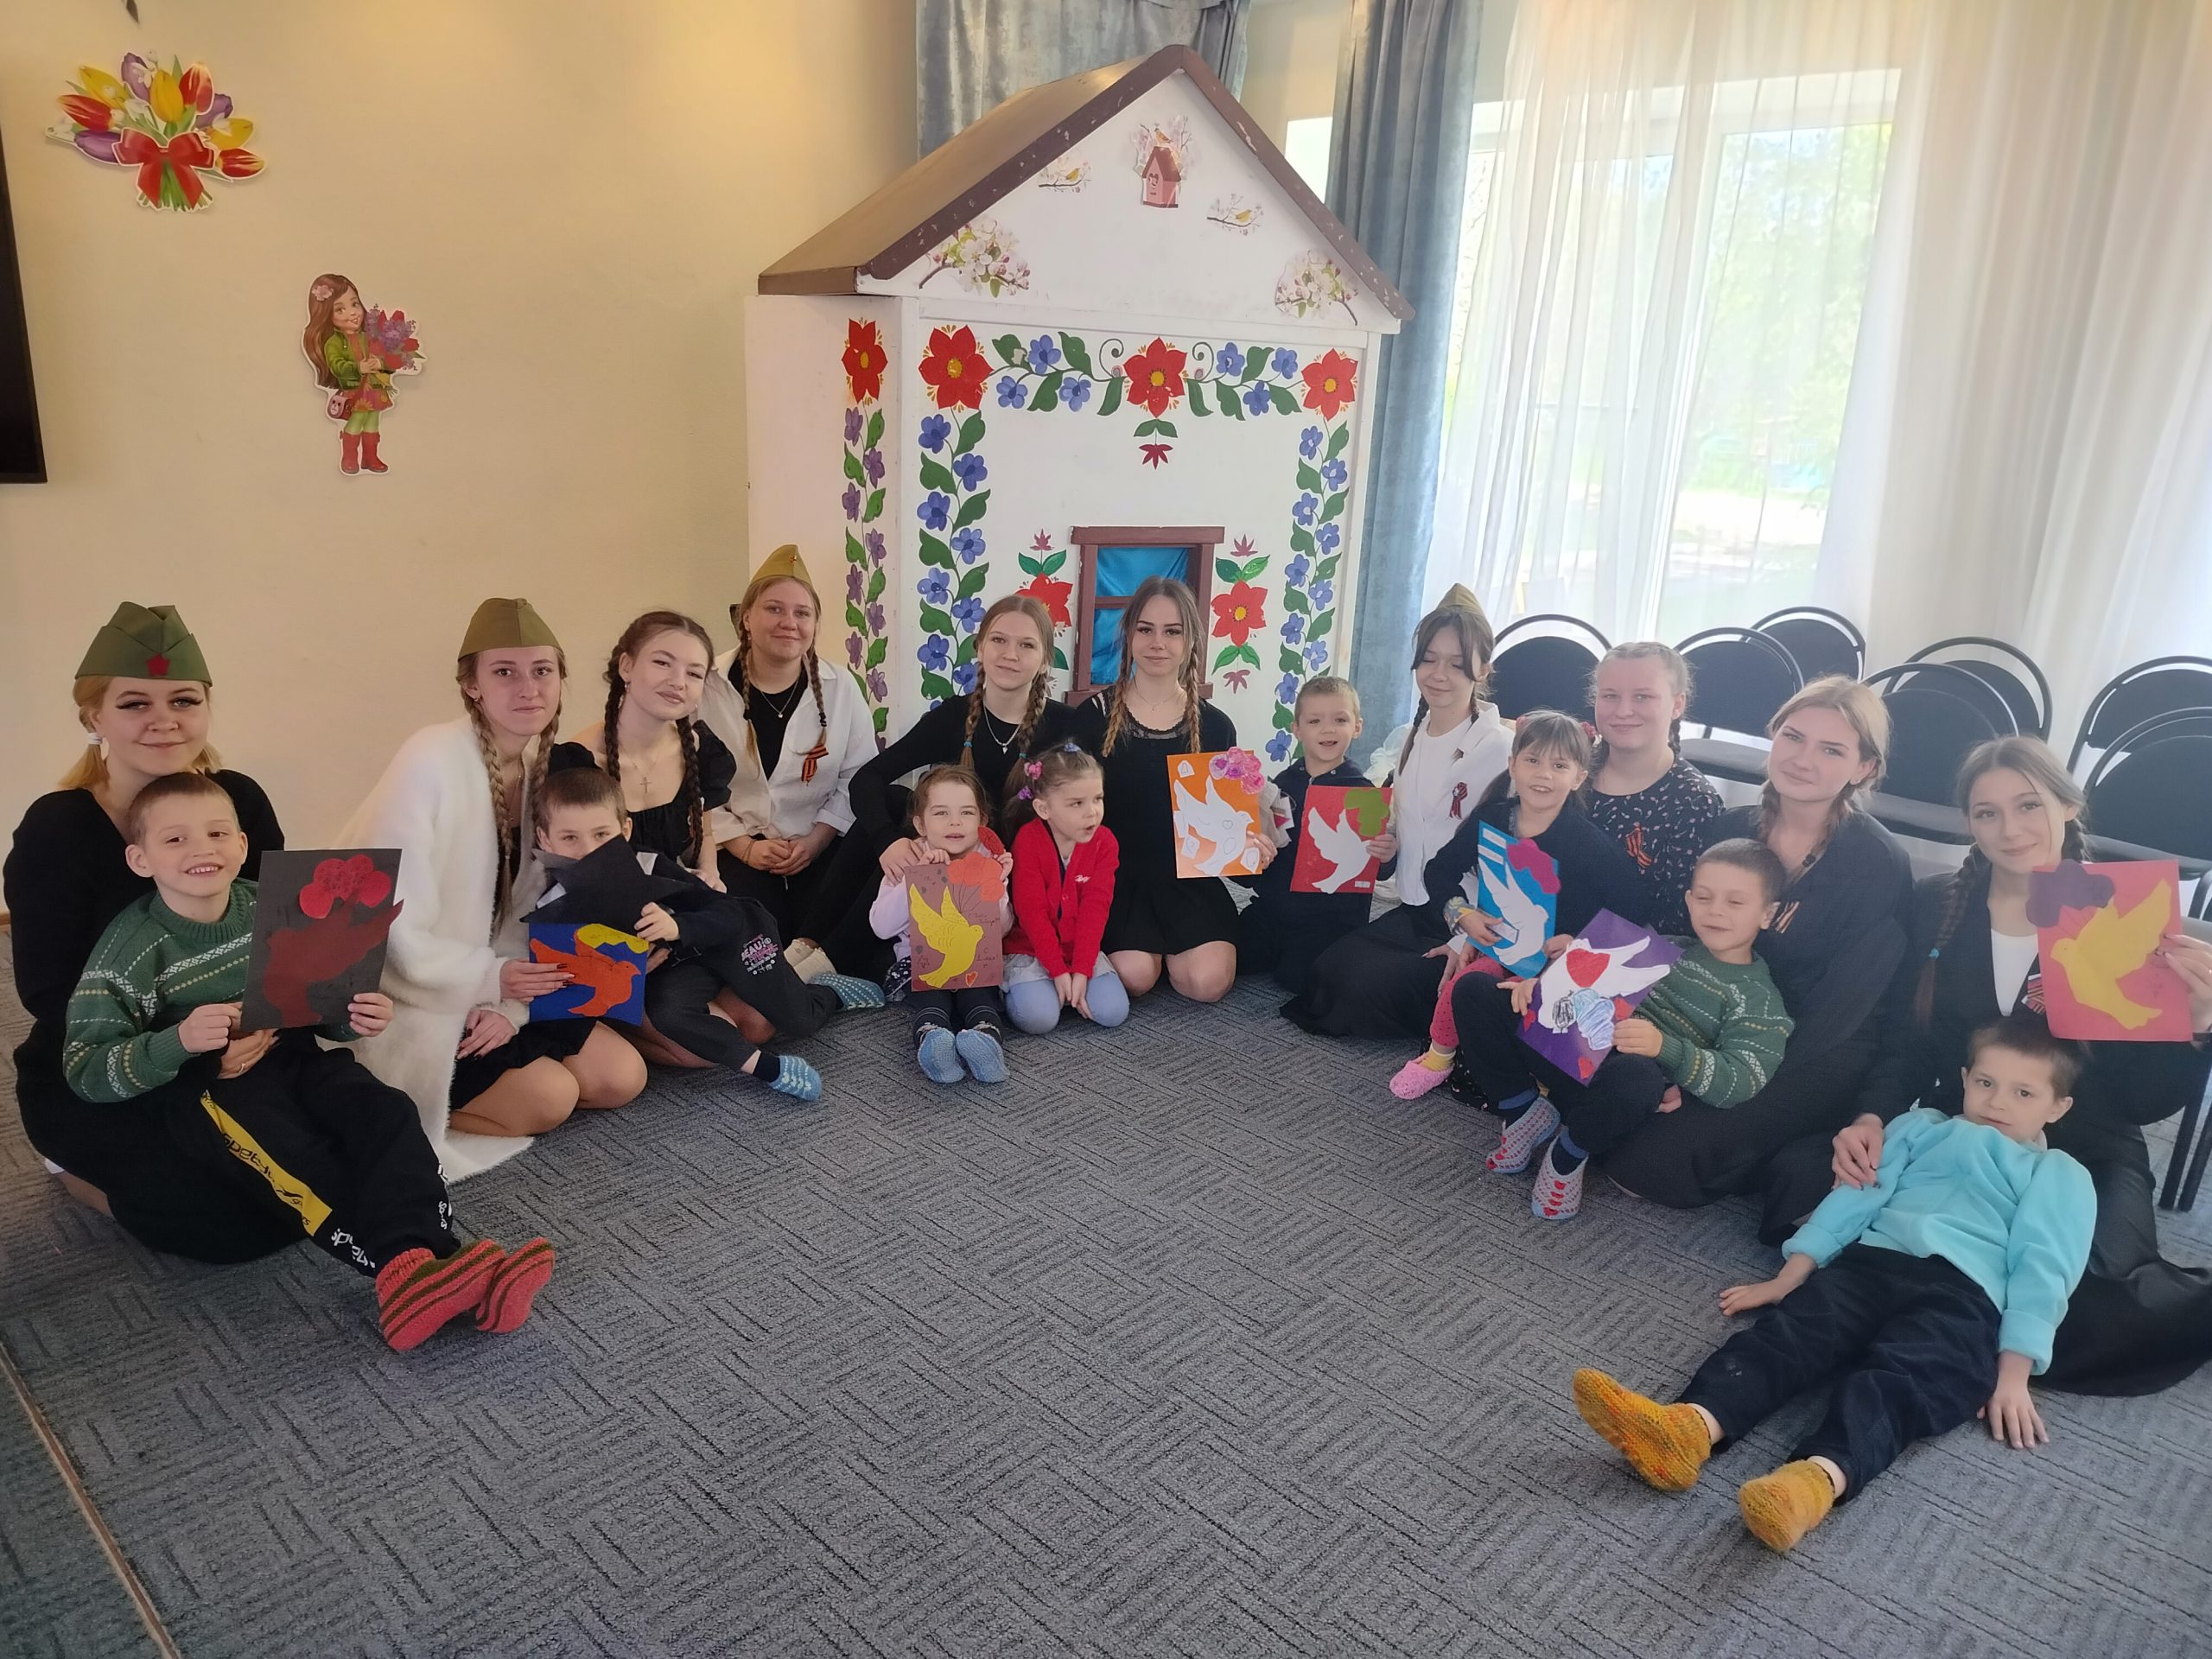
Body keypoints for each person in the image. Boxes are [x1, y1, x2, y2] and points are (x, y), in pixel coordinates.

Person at [61, 772, 556, 1351]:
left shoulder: (274, 908)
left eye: (217, 833)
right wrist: (179, 1042)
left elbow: (323, 1008)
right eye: (175, 840)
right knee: (303, 1157)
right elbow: (85, 1067)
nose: (201, 849)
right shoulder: (130, 949)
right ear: (140, 859)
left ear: (241, 845)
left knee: (387, 1111)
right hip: (211, 1092)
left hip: (295, 1054)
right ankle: (426, 1270)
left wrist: (355, 1014)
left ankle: (433, 1276)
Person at [1781, 736, 2212, 1395]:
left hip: (2085, 1145)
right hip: (1968, 1127)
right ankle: (1947, 1298)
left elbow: (2141, 1105)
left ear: (2069, 806)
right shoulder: (1939, 905)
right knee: (1801, 1184)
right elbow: (1908, 1043)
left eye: (2028, 805)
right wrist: (1872, 1116)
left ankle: (1936, 1295)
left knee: (2095, 1302)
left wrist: (2199, 1025)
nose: (2010, 829)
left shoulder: (2126, 917)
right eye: (1987, 813)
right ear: (1971, 824)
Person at [1572, 1018, 2094, 1553]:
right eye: (1985, 1082)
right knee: (1790, 1335)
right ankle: (1687, 1428)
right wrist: (1791, 1275)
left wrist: (2014, 1373)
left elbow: (2045, 1266)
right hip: (1873, 1264)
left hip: (1966, 1298)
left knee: (1907, 1382)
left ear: (2058, 1107)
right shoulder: (1921, 1128)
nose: (1997, 1102)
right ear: (1964, 1079)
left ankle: (1811, 1483)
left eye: (2024, 1093)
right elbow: (1857, 1197)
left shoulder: (2060, 1173)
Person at [5, 603, 291, 1254]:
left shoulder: (239, 800)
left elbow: (279, 933)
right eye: (135, 703)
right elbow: (50, 993)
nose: (165, 720)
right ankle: (73, 1170)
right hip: (110, 1059)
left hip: (239, 1036)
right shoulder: (57, 828)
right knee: (230, 1226)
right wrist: (186, 1051)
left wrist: (259, 1028)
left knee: (338, 1162)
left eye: (184, 700)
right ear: (93, 718)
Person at [340, 598, 645, 1169]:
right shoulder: (429, 760)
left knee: (620, 1076)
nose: (528, 689)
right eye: (505, 672)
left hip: (501, 983)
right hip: (411, 995)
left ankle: (504, 1066)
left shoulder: (537, 770)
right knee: (552, 1097)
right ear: (472, 685)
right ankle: (391, 1108)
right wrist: (485, 978)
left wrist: (508, 1001)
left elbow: (532, 909)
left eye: (542, 671)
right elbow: (387, 924)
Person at [1600, 676, 1913, 1225]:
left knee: (1639, 1166)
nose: (1802, 759)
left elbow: (1842, 1009)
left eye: (1831, 750)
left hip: (1812, 1044)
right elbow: (1682, 935)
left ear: (1863, 768)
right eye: (1793, 737)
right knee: (1595, 1095)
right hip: (1712, 1011)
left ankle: (1797, 1146)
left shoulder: (1876, 863)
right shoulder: (1733, 827)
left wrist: (1715, 1075)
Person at [1448, 839, 1793, 1221]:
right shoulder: (1662, 946)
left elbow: (1741, 1080)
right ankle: (1522, 1113)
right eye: (1704, 897)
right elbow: (1587, 989)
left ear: (1768, 914)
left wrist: (1665, 1048)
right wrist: (1543, 986)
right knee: (1475, 990)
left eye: (1735, 902)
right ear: (1689, 900)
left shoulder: (1759, 999)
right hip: (1575, 1052)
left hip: (1626, 1093)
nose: (1716, 911)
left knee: (1637, 1075)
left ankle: (1567, 1156)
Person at [1387, 711, 1649, 1103]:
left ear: (1579, 777)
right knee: (1462, 986)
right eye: (1532, 760)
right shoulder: (1493, 818)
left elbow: (1633, 908)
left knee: (1549, 1020)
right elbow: (1439, 871)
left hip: (1563, 962)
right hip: (1503, 944)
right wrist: (1463, 916)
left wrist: (1577, 943)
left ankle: (1539, 1081)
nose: (1543, 774)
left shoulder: (1588, 843)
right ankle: (1438, 1058)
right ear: (1512, 765)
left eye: (1559, 766)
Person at [1286, 588, 1511, 1039]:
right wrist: (1386, 843)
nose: (1438, 675)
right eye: (1429, 660)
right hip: (1417, 908)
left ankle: (1472, 1006)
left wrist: (1466, 939)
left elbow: (1511, 861)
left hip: (1472, 921)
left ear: (1483, 669)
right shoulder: (1414, 734)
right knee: (1326, 974)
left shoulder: (1501, 750)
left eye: (1456, 663)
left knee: (1363, 989)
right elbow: (1408, 825)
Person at [832, 594, 1076, 982]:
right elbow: (867, 779)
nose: (1010, 654)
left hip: (1014, 872)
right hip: (948, 858)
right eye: (999, 640)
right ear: (980, 647)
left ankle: (845, 959)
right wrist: (887, 842)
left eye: (1027, 645)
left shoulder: (1067, 726)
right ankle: (817, 946)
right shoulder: (952, 717)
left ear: (1046, 658)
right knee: (894, 803)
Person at [1068, 576, 1266, 1003]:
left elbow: (1225, 828)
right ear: (1129, 634)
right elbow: (1070, 813)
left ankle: (1171, 953)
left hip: (1188, 880)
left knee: (1207, 984)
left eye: (1172, 631)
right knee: (1135, 976)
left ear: (1190, 640)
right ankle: (1149, 954)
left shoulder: (1215, 726)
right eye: (1146, 629)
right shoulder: (1093, 717)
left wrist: (1250, 845)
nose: (1158, 643)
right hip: (1116, 877)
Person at [698, 545, 876, 981]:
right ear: (746, 617)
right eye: (774, 609)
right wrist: (744, 846)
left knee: (853, 911)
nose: (789, 623)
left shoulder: (841, 687)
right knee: (756, 940)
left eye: (802, 613)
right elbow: (690, 780)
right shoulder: (705, 686)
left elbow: (859, 776)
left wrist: (816, 840)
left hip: (816, 843)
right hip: (735, 845)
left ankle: (814, 969)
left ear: (815, 624)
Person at [549, 609, 734, 883]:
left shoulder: (700, 751)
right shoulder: (576, 763)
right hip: (604, 896)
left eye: (694, 673)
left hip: (676, 893)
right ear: (626, 666)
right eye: (662, 663)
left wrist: (710, 875)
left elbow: (704, 834)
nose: (678, 682)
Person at [868, 766, 1014, 1084]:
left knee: (979, 996)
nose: (955, 822)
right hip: (920, 965)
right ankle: (934, 1044)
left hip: (975, 963)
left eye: (966, 813)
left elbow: (1000, 930)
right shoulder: (909, 858)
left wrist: (998, 887)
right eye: (941, 813)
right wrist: (916, 880)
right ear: (920, 824)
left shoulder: (988, 859)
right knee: (932, 997)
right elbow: (881, 927)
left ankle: (986, 1042)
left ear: (982, 821)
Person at [1236, 676, 1376, 995]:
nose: (1327, 730)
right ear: (1297, 729)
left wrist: (1387, 851)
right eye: (1315, 721)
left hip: (1330, 920)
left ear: (1357, 727)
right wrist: (1252, 851)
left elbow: (1379, 869)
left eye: (1340, 720)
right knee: (1230, 955)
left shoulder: (1364, 794)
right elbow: (1256, 865)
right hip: (1273, 911)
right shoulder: (1280, 786)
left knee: (1298, 980)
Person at [1584, 642, 1722, 935]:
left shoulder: (1694, 802)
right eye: (1610, 696)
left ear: (1677, 705)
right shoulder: (1570, 770)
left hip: (1627, 953)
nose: (1623, 711)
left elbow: (1673, 925)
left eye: (1643, 697)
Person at [1001, 743, 1127, 1034]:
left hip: (1080, 949)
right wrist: (1058, 971)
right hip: (1032, 948)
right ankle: (1021, 989)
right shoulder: (1028, 840)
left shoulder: (1105, 842)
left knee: (1113, 1012)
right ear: (1043, 809)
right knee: (1040, 1019)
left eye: (1098, 799)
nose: (1092, 812)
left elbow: (1095, 910)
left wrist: (1081, 970)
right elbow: (1032, 913)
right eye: (1076, 803)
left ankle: (1068, 988)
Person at [302, 272, 399, 476]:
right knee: (357, 420)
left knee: (373, 420)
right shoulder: (333, 343)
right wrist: (358, 368)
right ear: (326, 315)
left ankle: (370, 456)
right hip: (354, 391)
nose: (352, 313)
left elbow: (389, 358)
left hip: (375, 388)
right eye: (340, 309)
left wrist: (381, 363)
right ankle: (349, 456)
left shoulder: (369, 337)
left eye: (355, 304)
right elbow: (337, 366)